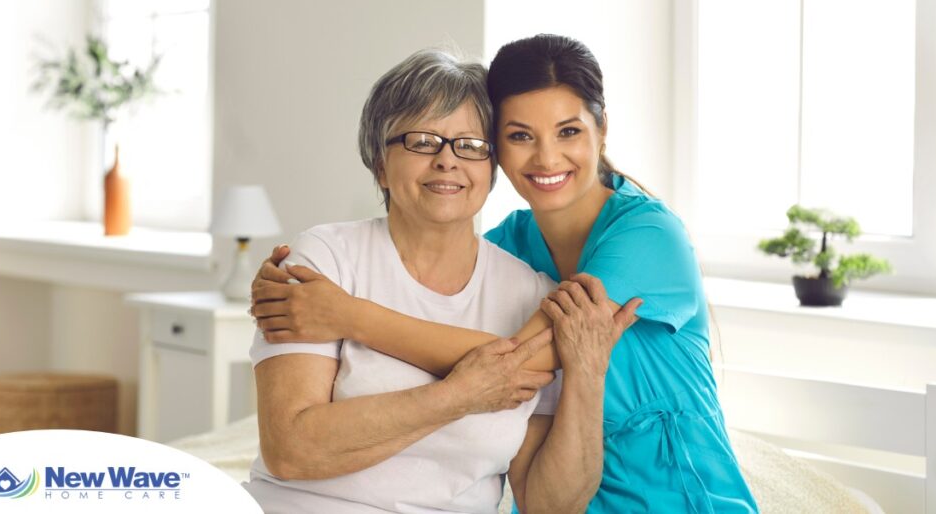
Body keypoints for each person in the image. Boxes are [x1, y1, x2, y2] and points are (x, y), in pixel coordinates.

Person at [253, 34, 760, 513]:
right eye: (520, 135)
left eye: (569, 131)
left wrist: (348, 315)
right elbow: (449, 302)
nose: (546, 156)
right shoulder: (509, 250)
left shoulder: (647, 236)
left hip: (676, 493)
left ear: (602, 131)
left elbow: (518, 367)